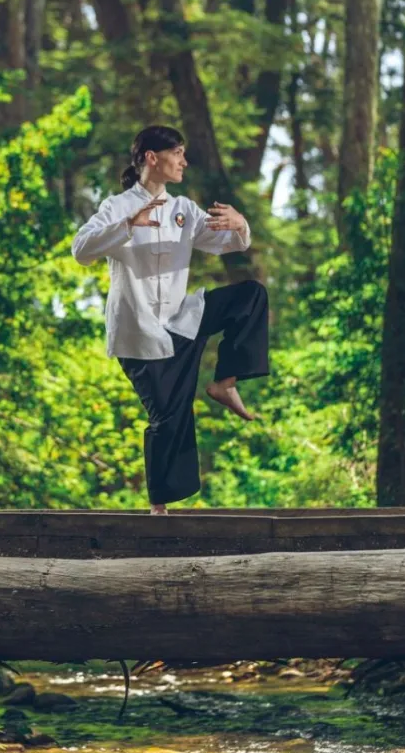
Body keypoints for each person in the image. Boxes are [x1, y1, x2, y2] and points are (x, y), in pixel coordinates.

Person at [72, 125, 269, 515]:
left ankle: (225, 382)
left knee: (251, 295)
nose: (184, 161)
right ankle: (159, 511)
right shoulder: (116, 207)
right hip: (138, 333)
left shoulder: (184, 210)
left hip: (182, 322)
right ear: (151, 157)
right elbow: (81, 250)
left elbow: (226, 243)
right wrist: (128, 226)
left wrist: (240, 225)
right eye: (177, 152)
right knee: (167, 416)